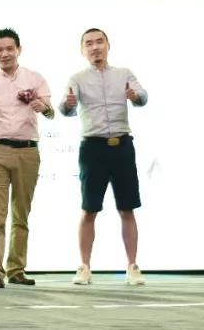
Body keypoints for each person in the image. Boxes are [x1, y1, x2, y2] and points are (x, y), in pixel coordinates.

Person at [58, 27, 148, 286]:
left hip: (122, 146)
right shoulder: (77, 78)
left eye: (99, 42)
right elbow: (65, 108)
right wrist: (68, 105)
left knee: (127, 208)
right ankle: (84, 267)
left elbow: (143, 97)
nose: (95, 47)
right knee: (89, 209)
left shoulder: (124, 74)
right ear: (82, 50)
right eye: (89, 43)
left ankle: (132, 266)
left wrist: (135, 96)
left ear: (108, 45)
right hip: (93, 148)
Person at [0, 28, 53, 288]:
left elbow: (51, 112)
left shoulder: (35, 78)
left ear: (19, 49)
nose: (4, 54)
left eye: (9, 48)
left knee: (21, 214)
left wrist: (44, 107)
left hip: (28, 151)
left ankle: (16, 269)